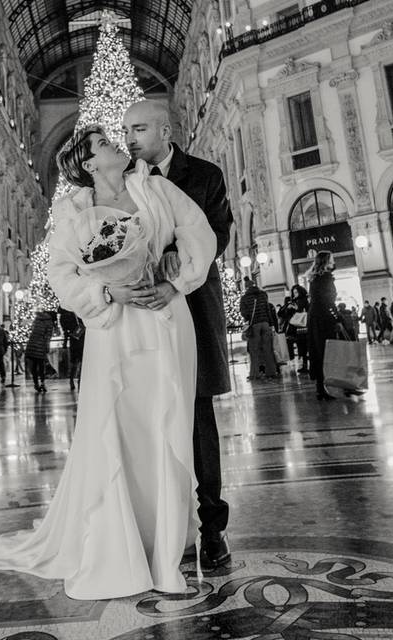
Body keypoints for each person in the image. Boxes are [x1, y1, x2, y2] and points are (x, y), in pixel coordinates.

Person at [0, 124, 216, 600]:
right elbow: (60, 274)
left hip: (164, 319)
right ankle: (124, 542)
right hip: (113, 330)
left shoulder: (156, 188)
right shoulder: (74, 214)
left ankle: (165, 545)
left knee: (167, 424)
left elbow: (199, 233)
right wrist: (106, 291)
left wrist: (176, 283)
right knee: (120, 430)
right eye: (104, 143)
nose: (117, 143)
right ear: (91, 164)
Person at [122, 100, 234, 569]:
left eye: (140, 128)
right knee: (147, 422)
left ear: (165, 131)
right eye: (126, 129)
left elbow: (219, 234)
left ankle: (212, 529)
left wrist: (175, 254)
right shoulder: (124, 182)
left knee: (198, 419)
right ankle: (162, 527)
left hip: (194, 307)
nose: (130, 137)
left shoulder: (204, 174)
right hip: (145, 317)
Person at [307, 251, 342, 400]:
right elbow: (328, 301)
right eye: (332, 259)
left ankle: (321, 388)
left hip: (315, 318)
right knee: (327, 352)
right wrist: (337, 318)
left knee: (319, 352)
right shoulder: (325, 278)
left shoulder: (314, 279)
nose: (334, 261)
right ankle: (328, 387)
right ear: (326, 261)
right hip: (324, 319)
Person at [239, 277, 279, 381]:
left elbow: (244, 313)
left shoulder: (244, 298)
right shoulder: (263, 294)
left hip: (254, 325)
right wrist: (270, 324)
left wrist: (247, 319)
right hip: (265, 324)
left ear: (246, 287)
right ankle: (271, 372)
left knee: (254, 351)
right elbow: (267, 309)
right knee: (268, 350)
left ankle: (255, 374)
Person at [25, 310, 55, 393]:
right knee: (41, 366)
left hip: (31, 344)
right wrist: (47, 347)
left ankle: (36, 384)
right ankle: (42, 383)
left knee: (33, 367)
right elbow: (47, 337)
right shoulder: (49, 322)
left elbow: (32, 330)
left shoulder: (37, 319)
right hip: (40, 346)